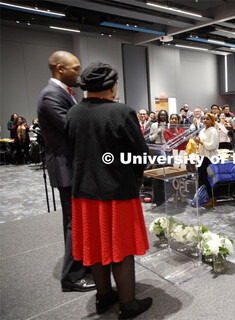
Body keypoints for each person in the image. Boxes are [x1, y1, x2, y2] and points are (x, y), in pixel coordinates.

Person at [66, 62, 152, 318]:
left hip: (83, 191)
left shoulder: (73, 113)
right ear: (112, 88)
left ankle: (103, 298)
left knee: (95, 244)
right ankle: (128, 304)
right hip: (117, 191)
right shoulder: (122, 112)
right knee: (122, 249)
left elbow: (71, 152)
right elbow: (140, 154)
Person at [37, 51, 93, 292]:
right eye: (75, 68)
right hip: (64, 165)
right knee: (74, 222)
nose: (78, 73)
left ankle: (82, 264)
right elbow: (72, 128)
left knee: (77, 220)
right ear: (60, 68)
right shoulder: (51, 95)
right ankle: (71, 276)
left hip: (72, 164)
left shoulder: (64, 93)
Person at [195, 113, 219, 208]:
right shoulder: (202, 130)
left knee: (209, 179)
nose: (205, 121)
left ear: (211, 120)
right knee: (203, 178)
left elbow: (212, 145)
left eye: (207, 119)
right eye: (204, 119)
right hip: (202, 156)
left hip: (209, 158)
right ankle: (206, 197)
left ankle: (213, 199)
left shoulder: (213, 131)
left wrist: (201, 142)